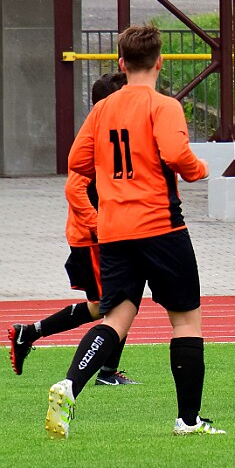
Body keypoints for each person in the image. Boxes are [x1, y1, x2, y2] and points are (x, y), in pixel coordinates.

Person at [45, 24, 223, 439]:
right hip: (160, 226)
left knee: (117, 316)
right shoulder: (164, 106)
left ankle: (70, 384)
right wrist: (200, 170)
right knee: (185, 321)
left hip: (113, 232)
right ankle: (189, 420)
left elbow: (78, 161)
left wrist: (112, 177)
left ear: (122, 64)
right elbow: (177, 154)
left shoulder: (102, 109)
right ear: (160, 62)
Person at [8, 73, 139, 386]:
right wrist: (98, 225)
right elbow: (75, 188)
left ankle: (31, 334)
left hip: (106, 234)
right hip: (92, 238)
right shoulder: (93, 135)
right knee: (116, 304)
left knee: (113, 301)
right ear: (108, 102)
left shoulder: (111, 132)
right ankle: (102, 373)